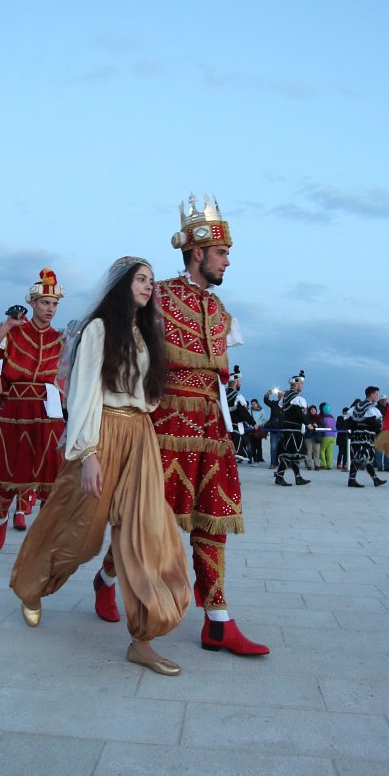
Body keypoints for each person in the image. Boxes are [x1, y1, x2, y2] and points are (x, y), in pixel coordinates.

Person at [10, 257, 191, 675]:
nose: (148, 286)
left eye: (150, 280)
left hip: (140, 435)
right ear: (122, 285)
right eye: (140, 280)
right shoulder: (98, 329)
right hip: (102, 432)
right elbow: (84, 394)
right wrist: (88, 453)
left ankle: (143, 639)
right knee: (79, 531)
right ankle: (31, 585)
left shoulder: (146, 334)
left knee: (148, 531)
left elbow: (149, 394)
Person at [102, 195, 267, 655]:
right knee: (146, 519)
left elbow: (218, 383)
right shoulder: (157, 297)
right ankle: (105, 576)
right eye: (221, 254)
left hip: (211, 429)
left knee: (211, 523)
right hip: (164, 423)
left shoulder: (220, 314)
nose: (227, 262)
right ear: (198, 253)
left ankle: (218, 621)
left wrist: (229, 428)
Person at [0, 269, 67, 549]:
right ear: (32, 304)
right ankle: (2, 516)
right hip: (15, 408)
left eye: (54, 304)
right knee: (9, 472)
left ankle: (41, 531)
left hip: (47, 410)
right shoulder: (14, 332)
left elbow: (67, 377)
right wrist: (6, 326)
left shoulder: (60, 339)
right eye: (44, 303)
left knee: (51, 474)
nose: (49, 309)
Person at [271, 371, 311, 486]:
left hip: (286, 429)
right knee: (291, 454)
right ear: (297, 384)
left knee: (293, 454)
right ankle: (279, 476)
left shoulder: (285, 396)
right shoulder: (297, 398)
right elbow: (300, 414)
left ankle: (298, 477)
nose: (302, 386)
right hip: (294, 430)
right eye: (301, 384)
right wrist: (308, 424)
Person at [345, 388, 387, 488]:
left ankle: (375, 479)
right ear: (371, 394)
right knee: (363, 457)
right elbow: (370, 421)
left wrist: (354, 431)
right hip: (366, 436)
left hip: (357, 435)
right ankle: (353, 480)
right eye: (376, 394)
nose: (377, 396)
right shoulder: (369, 407)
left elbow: (351, 420)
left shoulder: (358, 406)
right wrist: (379, 428)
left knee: (362, 458)